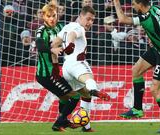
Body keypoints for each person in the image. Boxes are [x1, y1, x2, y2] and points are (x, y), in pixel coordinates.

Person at [35, 1, 109, 132]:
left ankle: (67, 122)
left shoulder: (61, 27)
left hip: (59, 69)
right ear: (43, 17)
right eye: (49, 16)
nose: (52, 19)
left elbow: (60, 39)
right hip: (45, 73)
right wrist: (56, 50)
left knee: (68, 96)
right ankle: (60, 122)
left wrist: (57, 64)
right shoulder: (42, 30)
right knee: (73, 96)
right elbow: (41, 46)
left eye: (54, 15)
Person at [113, 0, 160, 133]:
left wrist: (116, 2)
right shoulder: (157, 8)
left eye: (133, 4)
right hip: (157, 48)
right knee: (136, 71)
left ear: (140, 4)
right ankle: (137, 109)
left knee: (155, 89)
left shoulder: (146, 17)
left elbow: (122, 19)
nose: (133, 7)